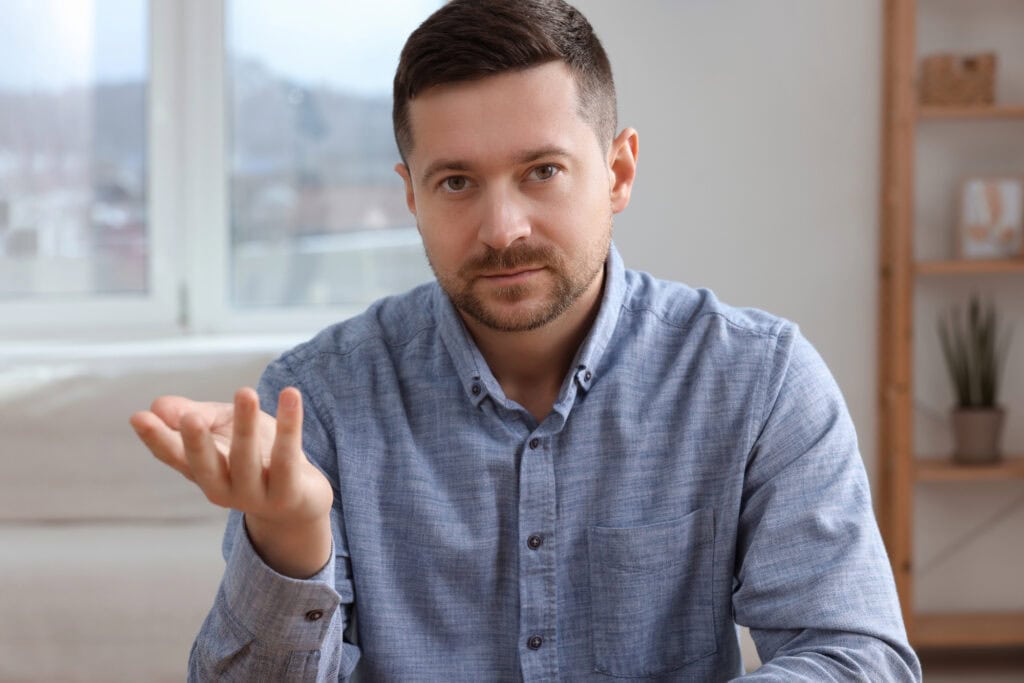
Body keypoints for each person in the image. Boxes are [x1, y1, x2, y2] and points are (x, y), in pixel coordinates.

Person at [130, 1, 922, 680]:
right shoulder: (319, 403)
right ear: (412, 195)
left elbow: (858, 656)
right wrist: (292, 541)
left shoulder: (759, 379)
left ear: (618, 172)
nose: (502, 229)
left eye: (542, 171)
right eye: (457, 182)